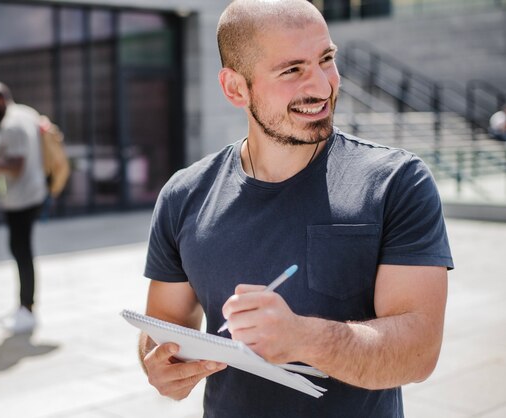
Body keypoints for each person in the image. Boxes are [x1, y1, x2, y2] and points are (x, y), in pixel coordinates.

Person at [137, 1, 454, 417]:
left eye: (326, 60)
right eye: (293, 70)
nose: (322, 87)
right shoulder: (183, 195)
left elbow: (418, 353)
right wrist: (161, 365)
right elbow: (162, 324)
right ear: (235, 88)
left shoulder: (397, 182)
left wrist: (303, 337)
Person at [0, 81, 47, 333]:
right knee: (20, 249)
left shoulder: (12, 124)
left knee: (21, 251)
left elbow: (16, 166)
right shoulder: (27, 112)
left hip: (22, 198)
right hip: (31, 193)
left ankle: (27, 308)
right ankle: (24, 306)